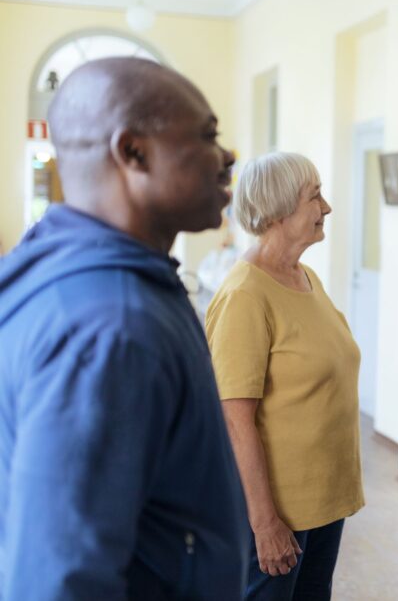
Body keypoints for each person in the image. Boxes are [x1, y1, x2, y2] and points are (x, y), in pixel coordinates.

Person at [0, 57, 248, 599]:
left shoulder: (72, 263)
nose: (227, 157)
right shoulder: (110, 328)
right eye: (208, 136)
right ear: (132, 152)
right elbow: (59, 581)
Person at [206, 152, 363, 601]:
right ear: (276, 211)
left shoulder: (305, 278)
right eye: (315, 197)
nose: (326, 208)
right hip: (278, 514)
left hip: (323, 502)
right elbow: (234, 420)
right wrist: (264, 522)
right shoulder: (245, 295)